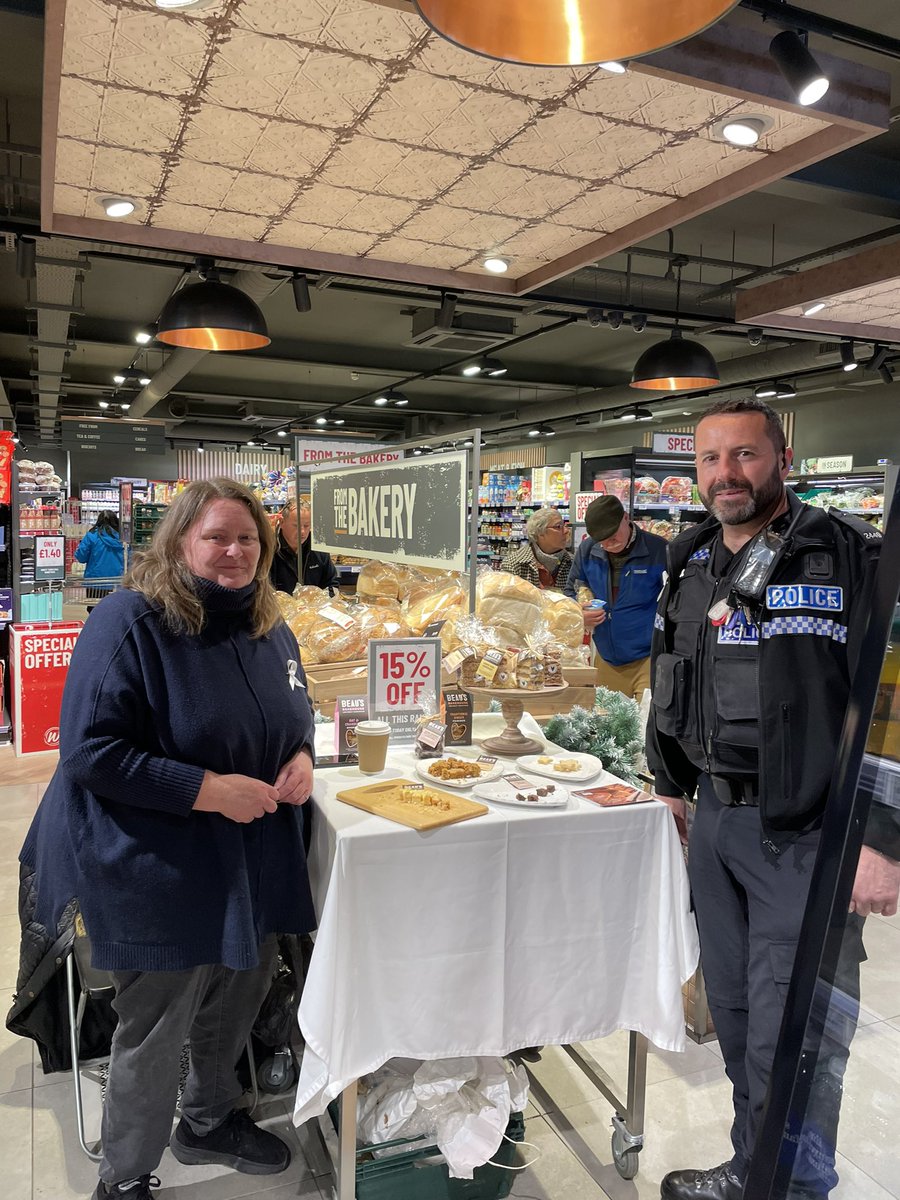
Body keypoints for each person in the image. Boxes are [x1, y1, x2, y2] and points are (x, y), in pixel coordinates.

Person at [14, 478, 317, 1200]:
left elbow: (297, 709)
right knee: (156, 1026)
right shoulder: (129, 622)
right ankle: (124, 1177)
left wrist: (299, 757)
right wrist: (209, 791)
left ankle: (208, 1119)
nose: (234, 551)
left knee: (239, 990)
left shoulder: (268, 622)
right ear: (181, 540)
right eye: (217, 536)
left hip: (251, 857)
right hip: (157, 862)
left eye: (248, 539)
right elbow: (90, 752)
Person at [647, 398, 900, 1200]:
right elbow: (670, 676)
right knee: (740, 1020)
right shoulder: (691, 559)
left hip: (811, 833)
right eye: (711, 460)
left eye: (745, 456)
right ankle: (755, 1167)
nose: (727, 475)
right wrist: (670, 783)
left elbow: (892, 702)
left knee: (800, 1035)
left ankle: (797, 1187)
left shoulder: (847, 556)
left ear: (782, 458)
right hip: (717, 822)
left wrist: (884, 837)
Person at [564, 494, 667, 702]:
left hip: (648, 657)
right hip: (606, 657)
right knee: (607, 726)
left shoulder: (659, 550)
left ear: (626, 518)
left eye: (612, 536)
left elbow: (675, 602)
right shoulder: (587, 549)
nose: (608, 544)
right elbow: (571, 590)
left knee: (642, 725)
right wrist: (578, 613)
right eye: (602, 541)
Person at [270, 498, 338, 595]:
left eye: (306, 526)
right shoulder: (269, 550)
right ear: (281, 523)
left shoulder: (318, 549)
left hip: (313, 609)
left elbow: (331, 584)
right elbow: (262, 591)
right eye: (296, 525)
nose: (302, 532)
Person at [501, 506, 573, 589]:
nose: (566, 531)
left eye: (564, 525)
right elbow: (507, 600)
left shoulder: (573, 562)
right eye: (558, 527)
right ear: (540, 532)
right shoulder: (513, 565)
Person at [74, 510, 125, 605]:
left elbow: (81, 557)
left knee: (94, 608)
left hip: (95, 581)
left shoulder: (92, 536)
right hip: (118, 580)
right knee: (116, 608)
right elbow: (130, 558)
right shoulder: (123, 537)